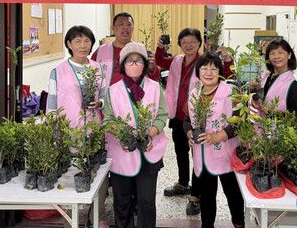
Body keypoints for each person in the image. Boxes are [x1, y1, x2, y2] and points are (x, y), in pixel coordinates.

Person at [156, 29, 234, 215]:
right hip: (179, 115)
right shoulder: (176, 60)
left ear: (199, 43)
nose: (188, 45)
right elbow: (160, 62)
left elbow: (227, 77)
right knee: (180, 151)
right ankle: (183, 183)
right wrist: (160, 48)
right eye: (184, 42)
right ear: (179, 44)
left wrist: (229, 60)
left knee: (199, 155)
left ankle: (195, 196)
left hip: (204, 119)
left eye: (192, 41)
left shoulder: (205, 62)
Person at [47, 25, 108, 228]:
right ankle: (69, 222)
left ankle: (94, 219)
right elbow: (52, 105)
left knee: (97, 176)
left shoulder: (98, 69)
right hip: (68, 130)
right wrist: (53, 133)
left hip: (93, 129)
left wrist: (99, 103)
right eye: (78, 41)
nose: (83, 45)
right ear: (69, 44)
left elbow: (104, 96)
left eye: (87, 41)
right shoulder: (58, 72)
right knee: (70, 176)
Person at [103, 42, 168, 228]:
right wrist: (123, 136)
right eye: (129, 61)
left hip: (150, 152)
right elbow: (108, 120)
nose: (134, 65)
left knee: (146, 202)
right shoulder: (113, 91)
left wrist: (150, 135)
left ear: (145, 64)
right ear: (123, 64)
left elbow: (162, 116)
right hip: (121, 153)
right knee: (122, 202)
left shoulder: (155, 88)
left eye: (138, 60)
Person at [183, 52, 244, 228]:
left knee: (233, 195)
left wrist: (215, 137)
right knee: (207, 196)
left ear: (220, 71)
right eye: (204, 68)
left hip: (226, 155)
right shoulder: (195, 92)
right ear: (198, 71)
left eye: (213, 68)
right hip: (202, 156)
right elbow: (187, 121)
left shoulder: (231, 92)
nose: (208, 72)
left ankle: (239, 223)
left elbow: (239, 123)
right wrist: (189, 133)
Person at [92, 12, 160, 89]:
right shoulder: (101, 51)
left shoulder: (141, 49)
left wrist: (152, 69)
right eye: (121, 24)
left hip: (135, 99)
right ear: (113, 28)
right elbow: (90, 75)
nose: (125, 28)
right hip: (107, 98)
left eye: (129, 24)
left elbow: (154, 78)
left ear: (133, 28)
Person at [249, 39, 297, 117]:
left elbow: (294, 116)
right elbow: (261, 100)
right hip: (261, 126)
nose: (276, 57)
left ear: (289, 55)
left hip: (279, 128)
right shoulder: (266, 76)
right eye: (272, 53)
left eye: (280, 53)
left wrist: (266, 111)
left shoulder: (292, 84)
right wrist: (254, 90)